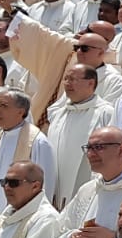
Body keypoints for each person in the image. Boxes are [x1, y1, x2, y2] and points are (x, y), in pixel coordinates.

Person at [46, 66, 115, 208]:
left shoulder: (105, 113)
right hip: (55, 191)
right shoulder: (59, 113)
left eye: (73, 79)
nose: (67, 83)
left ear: (91, 83)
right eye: (66, 79)